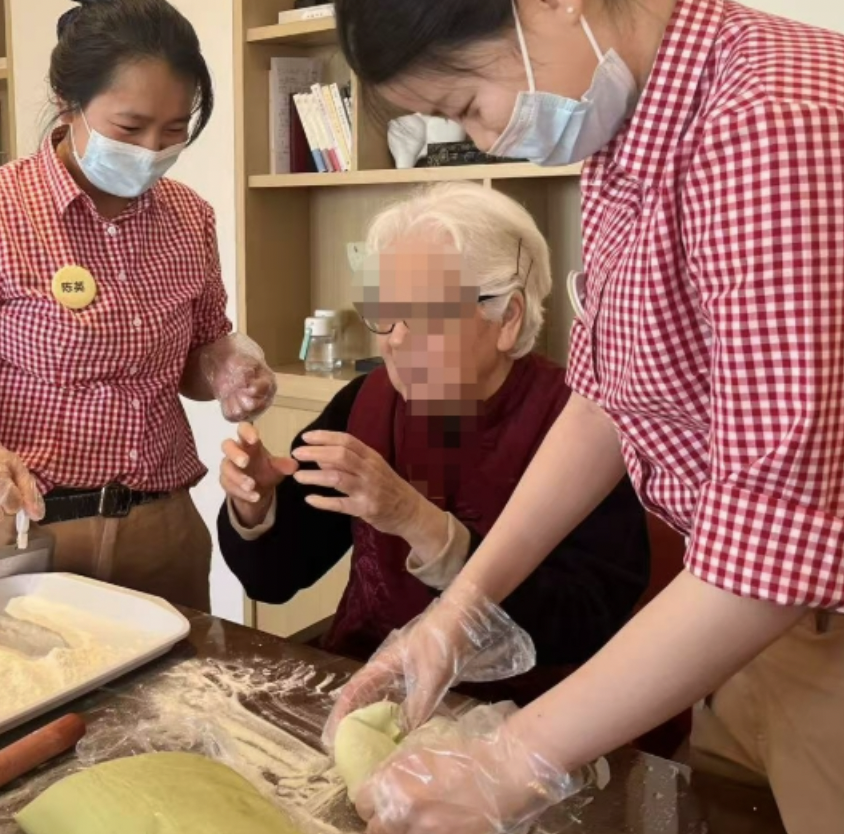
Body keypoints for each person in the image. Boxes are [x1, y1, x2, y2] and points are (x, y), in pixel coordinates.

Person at [327, 0, 844, 833]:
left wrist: (510, 761)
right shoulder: (630, 139)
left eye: (466, 103)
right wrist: (463, 605)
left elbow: (775, 534)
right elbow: (608, 397)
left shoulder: (766, 126)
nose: (482, 142)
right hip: (740, 637)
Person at [0, 0, 275, 609]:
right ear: (68, 103)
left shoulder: (188, 218)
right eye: (130, 126)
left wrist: (228, 370)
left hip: (160, 525)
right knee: (21, 704)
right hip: (19, 526)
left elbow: (201, 349)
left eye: (174, 129)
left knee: (170, 701)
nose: (152, 149)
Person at [217, 184, 649, 705]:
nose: (394, 339)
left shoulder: (581, 424)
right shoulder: (367, 401)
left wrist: (416, 520)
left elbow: (588, 621)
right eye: (384, 311)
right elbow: (275, 579)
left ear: (506, 318)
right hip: (368, 689)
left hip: (515, 717)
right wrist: (256, 508)